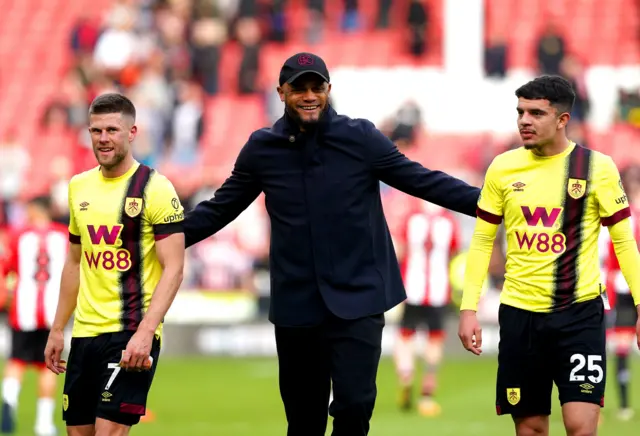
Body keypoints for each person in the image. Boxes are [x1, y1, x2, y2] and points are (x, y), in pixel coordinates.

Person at [183, 52, 480, 436]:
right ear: (281, 92)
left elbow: (423, 180)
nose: (309, 95)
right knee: (304, 421)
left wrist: (491, 203)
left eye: (316, 87)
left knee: (354, 409)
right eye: (299, 88)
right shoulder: (262, 148)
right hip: (297, 305)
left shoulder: (361, 137)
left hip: (359, 299)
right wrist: (159, 238)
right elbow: (219, 209)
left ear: (328, 90)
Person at [458, 75, 640, 436]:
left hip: (580, 315)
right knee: (530, 428)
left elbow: (624, 242)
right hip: (519, 316)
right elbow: (482, 241)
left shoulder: (597, 168)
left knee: (581, 425)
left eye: (536, 113)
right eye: (520, 112)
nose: (524, 120)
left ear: (562, 119)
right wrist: (468, 308)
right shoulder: (502, 168)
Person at [43, 93, 185, 436]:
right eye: (96, 131)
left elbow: (175, 268)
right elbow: (75, 262)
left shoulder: (156, 188)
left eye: (112, 130)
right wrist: (58, 327)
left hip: (130, 334)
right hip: (86, 334)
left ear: (132, 132)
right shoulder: (79, 187)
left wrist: (146, 332)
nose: (103, 138)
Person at [1, 196, 67, 436]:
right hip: (54, 312)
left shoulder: (19, 235)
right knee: (48, 366)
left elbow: (6, 268)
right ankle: (43, 424)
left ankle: (9, 401)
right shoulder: (64, 236)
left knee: (16, 361)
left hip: (23, 309)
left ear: (33, 210)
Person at [392, 200, 460, 416]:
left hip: (412, 289)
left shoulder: (412, 218)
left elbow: (400, 252)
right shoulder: (449, 221)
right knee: (434, 339)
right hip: (439, 292)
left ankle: (406, 375)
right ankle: (427, 394)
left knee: (405, 336)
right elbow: (453, 254)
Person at [605, 165, 640, 421]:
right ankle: (625, 404)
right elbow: (613, 259)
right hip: (625, 291)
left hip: (626, 289)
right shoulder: (622, 216)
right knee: (622, 348)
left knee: (623, 348)